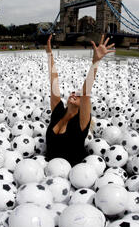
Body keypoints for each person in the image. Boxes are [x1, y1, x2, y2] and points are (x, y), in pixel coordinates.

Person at [45, 33, 116, 166]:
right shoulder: (58, 112)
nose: (74, 94)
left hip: (74, 176)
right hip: (49, 171)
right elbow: (54, 82)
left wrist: (95, 62)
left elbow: (86, 92)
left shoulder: (81, 122)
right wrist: (49, 55)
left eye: (78, 95)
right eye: (73, 92)